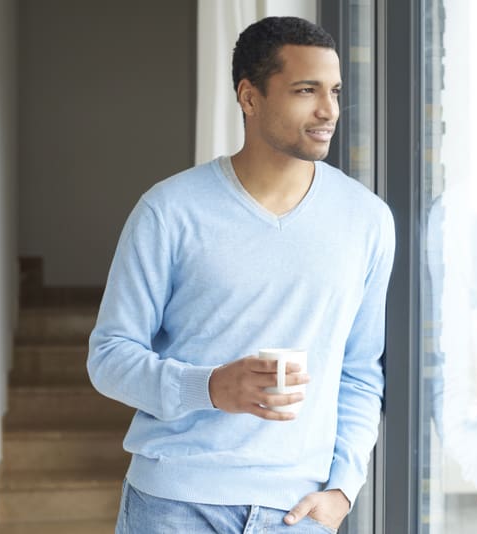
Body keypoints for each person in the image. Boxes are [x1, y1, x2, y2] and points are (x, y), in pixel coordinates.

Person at [87, 16, 395, 534]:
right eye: (306, 90)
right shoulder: (169, 211)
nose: (329, 111)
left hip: (297, 512)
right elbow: (109, 356)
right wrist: (208, 387)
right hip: (173, 506)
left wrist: (344, 487)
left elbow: (361, 371)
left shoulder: (367, 220)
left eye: (335, 91)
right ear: (249, 98)